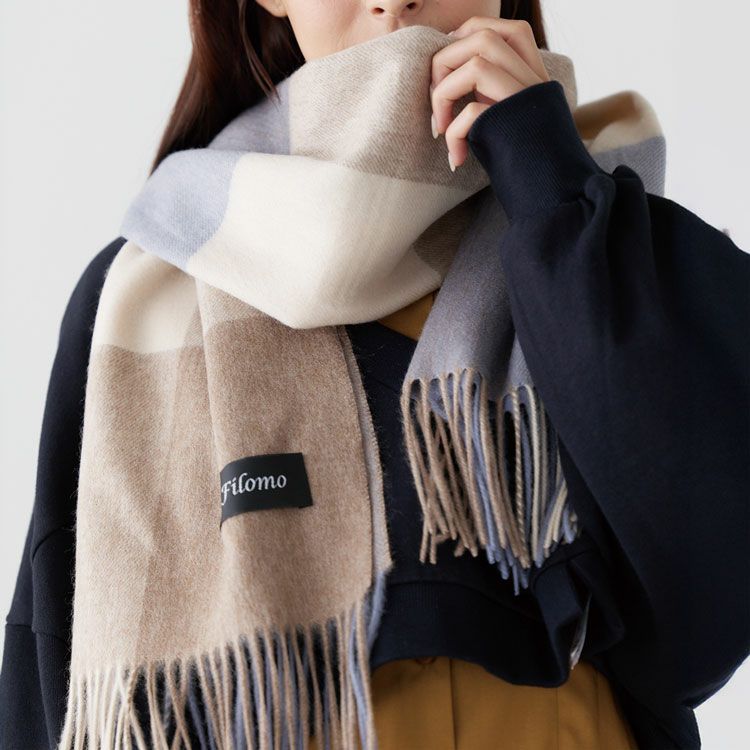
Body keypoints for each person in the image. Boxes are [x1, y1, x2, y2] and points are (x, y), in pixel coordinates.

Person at [1, 2, 748, 749]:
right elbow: (46, 692)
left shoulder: (613, 230)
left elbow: (712, 600)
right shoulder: (142, 303)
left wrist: (548, 177)